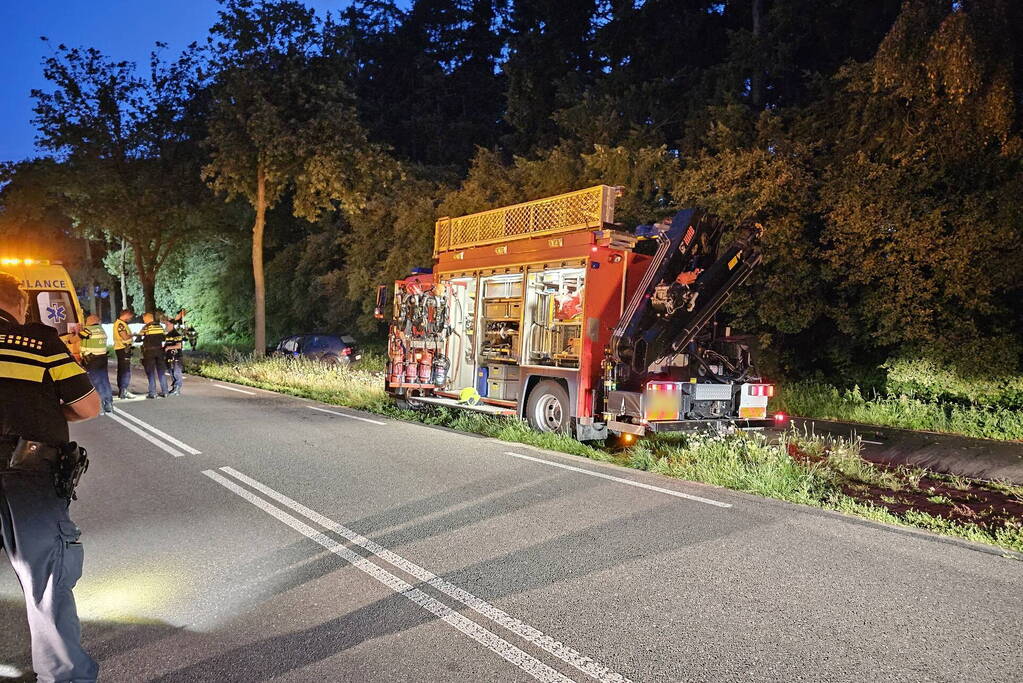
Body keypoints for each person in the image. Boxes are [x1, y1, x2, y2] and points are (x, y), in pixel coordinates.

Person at [0, 271, 101, 682]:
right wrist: (44, 409)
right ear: (20, 305)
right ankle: (64, 676)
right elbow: (88, 406)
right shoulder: (38, 341)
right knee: (44, 578)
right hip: (27, 475)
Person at [78, 314, 113, 413]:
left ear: (90, 321)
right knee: (104, 380)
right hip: (102, 358)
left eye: (87, 320)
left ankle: (101, 404)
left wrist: (69, 338)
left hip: (92, 360)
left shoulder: (88, 330)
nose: (86, 322)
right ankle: (109, 402)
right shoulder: (101, 329)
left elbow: (74, 339)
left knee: (96, 382)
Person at [135, 312, 168, 398]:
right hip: (160, 351)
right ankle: (165, 391)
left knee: (151, 372)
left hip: (149, 352)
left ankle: (153, 393)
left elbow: (138, 339)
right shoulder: (160, 326)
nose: (143, 320)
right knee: (161, 372)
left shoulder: (146, 327)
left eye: (144, 319)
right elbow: (164, 337)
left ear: (147, 319)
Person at [112, 309, 136, 399]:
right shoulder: (120, 324)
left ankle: (122, 390)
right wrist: (133, 335)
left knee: (122, 370)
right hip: (123, 349)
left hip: (121, 349)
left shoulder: (119, 323)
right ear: (126, 315)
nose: (130, 319)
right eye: (130, 317)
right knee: (125, 371)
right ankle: (124, 391)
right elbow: (125, 336)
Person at [163, 317, 185, 396]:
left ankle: (177, 389)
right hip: (169, 356)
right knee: (171, 372)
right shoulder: (167, 335)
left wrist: (168, 348)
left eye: (167, 324)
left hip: (176, 357)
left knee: (176, 372)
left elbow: (179, 346)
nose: (166, 326)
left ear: (172, 324)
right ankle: (174, 388)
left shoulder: (177, 334)